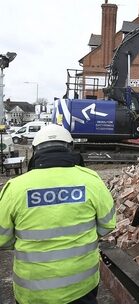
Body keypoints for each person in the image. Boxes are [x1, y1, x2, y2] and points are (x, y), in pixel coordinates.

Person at [0, 124, 116, 304]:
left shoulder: (15, 188)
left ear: (35, 151)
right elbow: (107, 224)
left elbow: (2, 239)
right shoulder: (91, 181)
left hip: (32, 291)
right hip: (81, 286)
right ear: (70, 148)